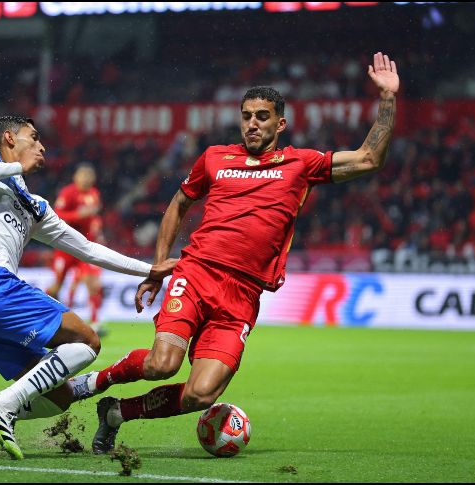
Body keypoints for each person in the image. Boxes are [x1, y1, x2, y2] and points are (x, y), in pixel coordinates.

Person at [70, 52, 400, 454]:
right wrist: (159, 265)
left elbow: (369, 158)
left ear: (280, 123)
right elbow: (178, 204)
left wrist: (387, 99)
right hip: (196, 274)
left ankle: (117, 413)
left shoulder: (301, 164)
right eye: (246, 116)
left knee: (201, 394)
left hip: (242, 295)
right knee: (162, 364)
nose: (252, 124)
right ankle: (94, 383)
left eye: (262, 116)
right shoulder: (214, 158)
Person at [0, 115, 177, 460]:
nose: (42, 146)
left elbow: (87, 249)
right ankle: (3, 406)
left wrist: (151, 270)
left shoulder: (35, 206)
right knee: (87, 341)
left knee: (59, 398)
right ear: (10, 138)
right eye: (33, 137)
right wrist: (14, 168)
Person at [45, 164, 107, 335]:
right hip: (65, 246)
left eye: (89, 178)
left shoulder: (94, 194)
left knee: (93, 283)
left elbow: (93, 217)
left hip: (85, 247)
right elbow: (57, 215)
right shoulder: (68, 193)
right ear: (76, 178)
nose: (87, 181)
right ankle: (43, 313)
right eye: (84, 177)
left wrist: (98, 233)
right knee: (56, 287)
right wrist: (77, 215)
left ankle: (95, 322)